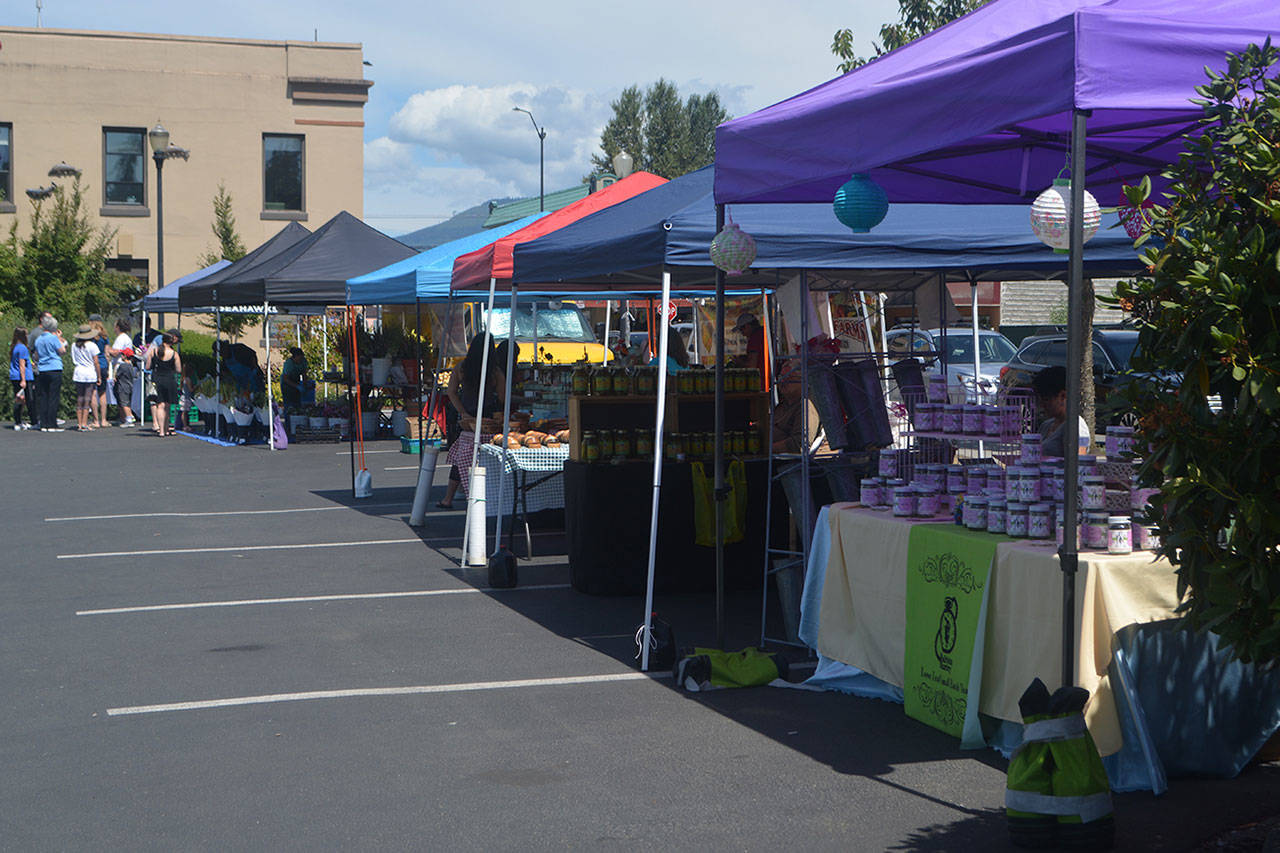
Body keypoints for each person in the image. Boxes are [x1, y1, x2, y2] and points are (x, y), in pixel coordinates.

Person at [439, 336, 507, 509]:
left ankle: (449, 498)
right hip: (488, 419)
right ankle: (488, 495)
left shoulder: (462, 367)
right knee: (489, 456)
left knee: (461, 457)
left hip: (467, 419)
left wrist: (462, 411)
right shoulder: (495, 371)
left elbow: (451, 392)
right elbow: (502, 397)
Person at [1032, 365, 1091, 457]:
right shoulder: (1046, 426)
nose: (1042, 405)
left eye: (1046, 399)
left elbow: (1078, 464)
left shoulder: (1076, 427)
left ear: (1063, 396)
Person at [33, 316, 66, 432]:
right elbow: (62, 351)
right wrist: (59, 338)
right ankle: (52, 424)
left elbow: (36, 355)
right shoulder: (53, 338)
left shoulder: (38, 339)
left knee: (43, 396)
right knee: (53, 396)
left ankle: (43, 423)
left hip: (42, 368)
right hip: (54, 367)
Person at [146, 331, 182, 437]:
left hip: (157, 379)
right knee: (167, 406)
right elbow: (179, 369)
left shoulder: (154, 351)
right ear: (171, 342)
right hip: (169, 380)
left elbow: (147, 366)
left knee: (160, 405)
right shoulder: (174, 354)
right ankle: (166, 429)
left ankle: (161, 430)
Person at [70, 324, 102, 431]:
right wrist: (99, 376)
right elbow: (96, 362)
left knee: (79, 398)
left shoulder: (74, 345)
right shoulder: (92, 346)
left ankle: (79, 423)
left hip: (79, 371)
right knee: (87, 398)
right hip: (89, 372)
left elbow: (74, 359)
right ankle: (84, 423)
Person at [106, 318, 136, 426]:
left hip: (121, 366)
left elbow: (115, 352)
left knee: (122, 392)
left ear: (118, 327)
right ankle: (123, 417)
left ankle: (129, 417)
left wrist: (107, 349)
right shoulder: (125, 338)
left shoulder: (121, 338)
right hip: (122, 366)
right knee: (118, 391)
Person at [9, 328, 36, 430]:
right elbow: (22, 365)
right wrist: (23, 379)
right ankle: (32, 421)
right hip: (24, 377)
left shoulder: (14, 347)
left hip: (14, 376)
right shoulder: (23, 348)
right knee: (28, 399)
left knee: (19, 398)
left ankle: (17, 421)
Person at [89, 316, 110, 428]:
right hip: (103, 365)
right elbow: (107, 354)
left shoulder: (89, 337)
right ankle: (104, 420)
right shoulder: (104, 336)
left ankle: (95, 420)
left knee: (93, 393)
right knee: (102, 393)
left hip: (92, 365)